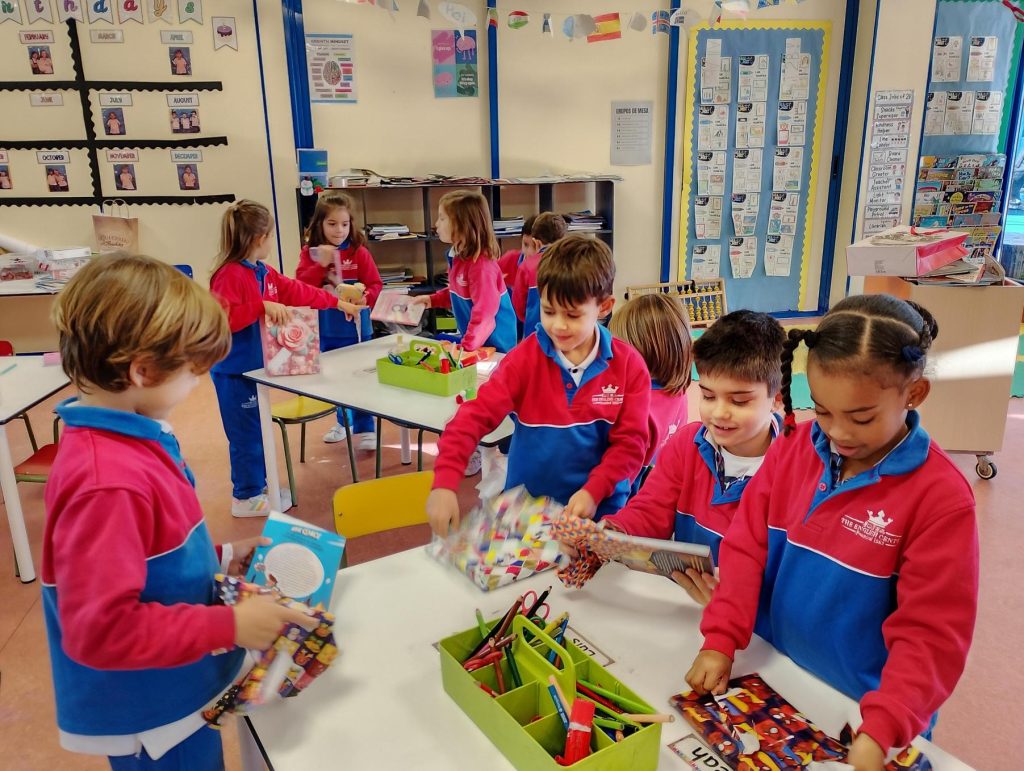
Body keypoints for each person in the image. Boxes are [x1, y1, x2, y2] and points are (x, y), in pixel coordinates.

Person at [42, 253, 315, 769]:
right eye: (193, 372)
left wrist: (221, 556)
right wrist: (229, 627)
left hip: (174, 691)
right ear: (143, 371)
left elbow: (148, 553)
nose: (196, 384)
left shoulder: (132, 438)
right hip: (152, 715)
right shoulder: (106, 482)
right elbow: (100, 631)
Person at [685, 295, 978, 771]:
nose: (838, 432)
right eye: (822, 411)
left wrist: (884, 725)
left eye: (861, 418)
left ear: (915, 393)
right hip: (777, 674)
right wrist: (721, 638)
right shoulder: (793, 448)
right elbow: (745, 548)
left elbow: (932, 635)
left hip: (868, 712)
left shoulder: (941, 498)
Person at [426, 234, 651, 535]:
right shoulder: (523, 361)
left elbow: (631, 444)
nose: (558, 325)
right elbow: (473, 417)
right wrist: (444, 482)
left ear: (604, 307)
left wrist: (594, 491)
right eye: (548, 311)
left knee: (595, 568)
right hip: (527, 513)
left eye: (572, 314)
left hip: (599, 510)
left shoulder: (629, 367)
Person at [569, 310, 783, 605]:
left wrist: (739, 599)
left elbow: (795, 574)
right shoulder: (687, 445)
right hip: (682, 606)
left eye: (739, 401)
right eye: (708, 396)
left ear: (777, 398)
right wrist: (609, 535)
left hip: (751, 620)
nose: (719, 413)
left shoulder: (797, 470)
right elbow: (650, 510)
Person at [209, 200, 362, 517]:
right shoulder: (229, 275)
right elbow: (220, 320)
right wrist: (261, 306)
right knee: (246, 436)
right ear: (260, 238)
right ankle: (245, 497)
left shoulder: (263, 272)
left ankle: (258, 487)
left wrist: (338, 304)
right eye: (271, 236)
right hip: (233, 373)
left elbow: (298, 291)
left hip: (254, 370)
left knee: (258, 432)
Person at [295, 191, 383, 449]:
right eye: (332, 224)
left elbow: (375, 284)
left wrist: (365, 297)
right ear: (320, 224)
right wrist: (320, 264)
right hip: (327, 330)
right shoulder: (310, 253)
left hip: (358, 331)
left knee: (362, 380)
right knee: (335, 380)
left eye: (344, 224)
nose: (339, 230)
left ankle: (366, 427)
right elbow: (302, 286)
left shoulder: (359, 252)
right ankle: (343, 422)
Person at [411, 190, 517, 355]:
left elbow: (485, 316)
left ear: (462, 225)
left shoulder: (481, 267)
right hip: (477, 343)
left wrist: (464, 349)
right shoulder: (457, 257)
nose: (436, 224)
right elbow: (459, 292)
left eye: (442, 218)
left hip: (496, 348)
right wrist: (432, 300)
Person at [512, 212, 568, 338]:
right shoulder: (573, 262)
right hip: (566, 332)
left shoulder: (527, 266)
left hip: (535, 334)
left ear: (536, 242)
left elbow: (518, 306)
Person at [496, 213, 537, 291]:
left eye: (535, 246)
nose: (529, 252)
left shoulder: (549, 271)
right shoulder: (509, 259)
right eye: (525, 244)